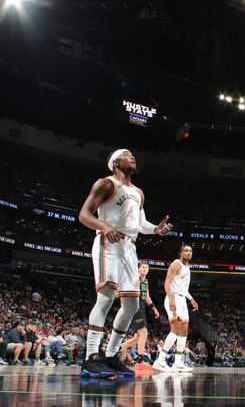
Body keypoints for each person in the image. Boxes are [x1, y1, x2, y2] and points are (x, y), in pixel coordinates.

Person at [78, 148, 172, 377]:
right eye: (126, 154)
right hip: (108, 242)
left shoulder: (138, 192)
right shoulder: (106, 184)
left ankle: (111, 356)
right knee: (107, 296)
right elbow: (83, 215)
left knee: (131, 305)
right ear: (114, 163)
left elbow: (140, 224)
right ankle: (91, 357)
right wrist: (104, 225)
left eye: (133, 155)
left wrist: (156, 229)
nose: (132, 157)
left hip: (129, 247)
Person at [153, 244, 198, 372]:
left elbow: (183, 288)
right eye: (186, 250)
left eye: (190, 251)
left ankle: (178, 362)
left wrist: (191, 299)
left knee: (184, 331)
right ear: (181, 253)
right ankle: (160, 360)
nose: (188, 253)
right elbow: (167, 282)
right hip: (174, 298)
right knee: (175, 330)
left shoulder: (187, 268)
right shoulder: (176, 264)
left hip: (182, 299)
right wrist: (171, 298)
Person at [120, 262, 160, 371]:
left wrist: (153, 308)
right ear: (139, 269)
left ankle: (121, 347)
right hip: (134, 307)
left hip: (141, 308)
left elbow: (146, 296)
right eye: (142, 267)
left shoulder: (145, 281)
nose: (145, 269)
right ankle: (140, 361)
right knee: (143, 333)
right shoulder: (135, 279)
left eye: (146, 267)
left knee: (138, 337)